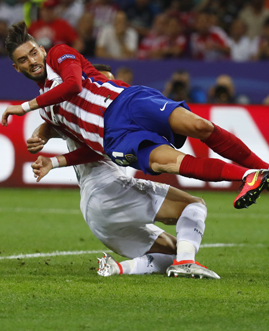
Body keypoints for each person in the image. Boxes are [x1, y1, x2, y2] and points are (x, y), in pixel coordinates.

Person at [1, 21, 269, 210]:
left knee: (199, 125)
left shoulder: (59, 54)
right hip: (116, 139)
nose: (31, 61)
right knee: (167, 163)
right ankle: (254, 177)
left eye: (32, 53)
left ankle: (268, 171)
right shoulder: (51, 114)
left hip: (127, 102)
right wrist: (55, 160)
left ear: (40, 49)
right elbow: (92, 148)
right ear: (16, 68)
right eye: (23, 60)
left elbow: (74, 84)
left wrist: (25, 106)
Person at [27, 65, 219, 279]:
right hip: (110, 189)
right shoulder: (96, 118)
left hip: (95, 213)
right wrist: (49, 151)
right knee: (193, 206)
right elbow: (85, 145)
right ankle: (185, 264)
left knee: (178, 249)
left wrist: (40, 136)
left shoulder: (75, 116)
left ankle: (117, 268)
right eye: (101, 83)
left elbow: (49, 125)